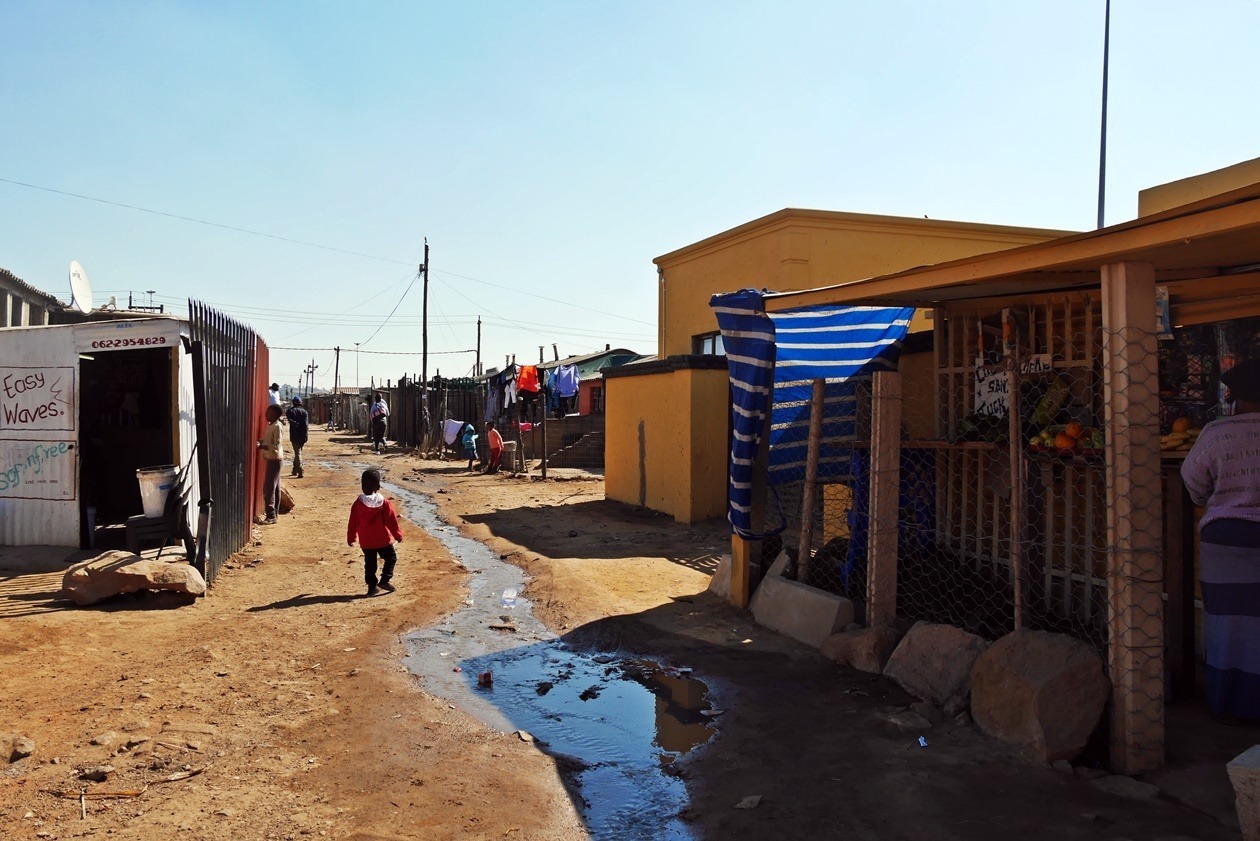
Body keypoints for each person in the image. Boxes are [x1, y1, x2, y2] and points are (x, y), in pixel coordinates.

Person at [1181, 358, 1260, 723]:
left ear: (1236, 398)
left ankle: (1228, 704)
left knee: (1226, 623)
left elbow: (1194, 482)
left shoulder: (1216, 432)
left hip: (1226, 540)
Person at [346, 468, 403, 596]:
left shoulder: (357, 504)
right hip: (382, 539)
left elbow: (352, 523)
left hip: (366, 541)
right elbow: (391, 521)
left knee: (370, 564)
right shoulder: (384, 502)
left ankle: (372, 587)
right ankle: (385, 580)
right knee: (391, 558)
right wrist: (398, 535)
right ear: (378, 486)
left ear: (362, 486)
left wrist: (351, 538)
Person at [256, 404, 284, 524]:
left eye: (268, 412)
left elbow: (276, 446)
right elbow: (269, 441)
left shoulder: (277, 427)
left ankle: (271, 515)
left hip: (275, 460)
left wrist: (261, 446)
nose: (266, 414)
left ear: (275, 414)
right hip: (273, 459)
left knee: (269, 488)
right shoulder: (272, 426)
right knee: (275, 487)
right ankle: (274, 514)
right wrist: (261, 442)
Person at [286, 396, 310, 478]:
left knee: (297, 452)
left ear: (293, 402)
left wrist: (296, 426)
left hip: (294, 435)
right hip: (303, 436)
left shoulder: (290, 411)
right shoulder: (305, 412)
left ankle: (300, 470)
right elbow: (306, 425)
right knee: (298, 452)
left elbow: (291, 422)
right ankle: (294, 470)